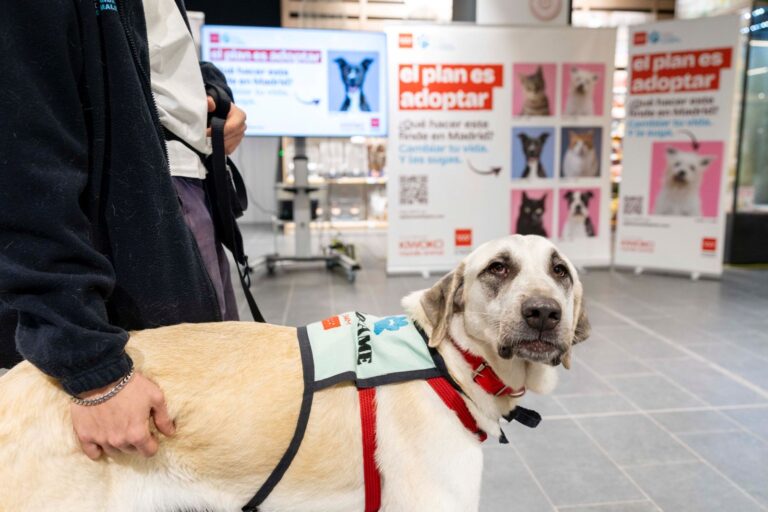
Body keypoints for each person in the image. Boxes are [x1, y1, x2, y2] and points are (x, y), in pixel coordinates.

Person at [0, 0, 245, 460]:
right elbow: (22, 159)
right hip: (117, 245)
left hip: (180, 214)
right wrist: (92, 368)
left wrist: (210, 93)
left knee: (202, 443)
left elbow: (153, 53)